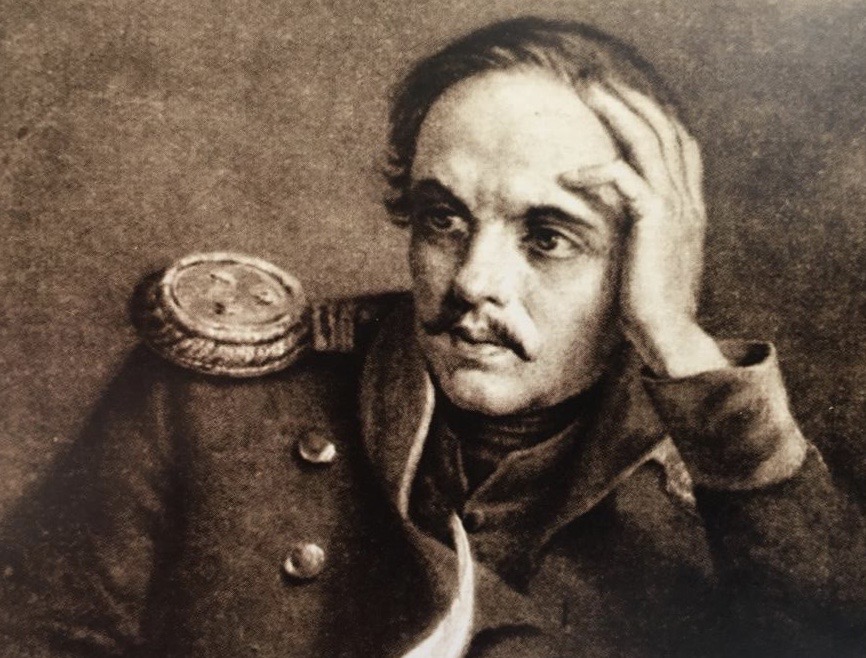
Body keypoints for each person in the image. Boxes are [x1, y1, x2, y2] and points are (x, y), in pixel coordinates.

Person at [1, 16, 865, 658]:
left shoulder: (727, 476)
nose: (474, 280)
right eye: (442, 220)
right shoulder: (207, 405)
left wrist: (676, 340)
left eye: (548, 237)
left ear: (642, 261)